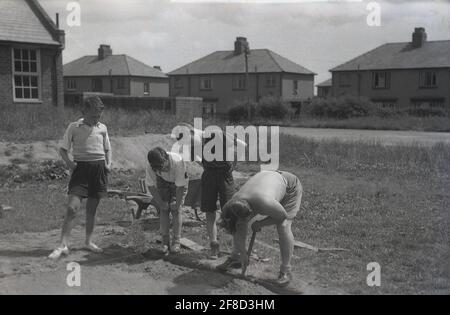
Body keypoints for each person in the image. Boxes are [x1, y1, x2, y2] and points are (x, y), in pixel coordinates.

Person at [49, 96, 112, 259]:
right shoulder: (74, 127)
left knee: (92, 209)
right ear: (84, 112)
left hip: (98, 170)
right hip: (81, 170)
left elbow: (107, 149)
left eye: (98, 116)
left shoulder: (103, 128)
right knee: (72, 208)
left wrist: (108, 164)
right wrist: (70, 164)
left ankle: (88, 241)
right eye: (93, 116)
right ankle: (62, 245)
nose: (96, 119)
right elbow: (63, 149)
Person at [218, 170, 303, 287]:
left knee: (283, 226)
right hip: (268, 181)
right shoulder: (230, 206)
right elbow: (237, 228)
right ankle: (236, 258)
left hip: (289, 186)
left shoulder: (264, 203)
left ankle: (285, 271)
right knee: (238, 224)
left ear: (250, 211)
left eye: (245, 220)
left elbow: (282, 216)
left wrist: (261, 223)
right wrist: (243, 253)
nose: (243, 223)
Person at [174, 123, 246, 260]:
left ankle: (236, 248)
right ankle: (214, 245)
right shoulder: (193, 142)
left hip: (225, 176)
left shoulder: (218, 134)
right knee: (209, 210)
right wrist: (207, 166)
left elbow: (242, 145)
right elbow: (197, 157)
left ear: (191, 133)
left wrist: (234, 164)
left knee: (231, 210)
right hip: (209, 176)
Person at [146, 147, 188, 254]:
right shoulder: (151, 166)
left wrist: (177, 203)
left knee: (176, 210)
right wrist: (160, 202)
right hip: (162, 181)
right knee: (163, 209)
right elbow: (150, 186)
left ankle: (176, 242)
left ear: (166, 158)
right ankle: (165, 242)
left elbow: (180, 187)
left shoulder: (178, 162)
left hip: (178, 183)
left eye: (162, 167)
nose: (160, 170)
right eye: (157, 168)